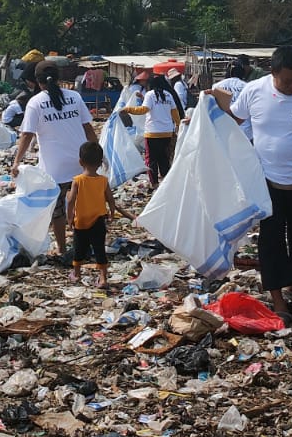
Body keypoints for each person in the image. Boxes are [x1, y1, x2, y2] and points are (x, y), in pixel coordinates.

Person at [207, 46, 292, 324]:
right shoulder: (254, 91)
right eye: (287, 81)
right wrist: (214, 101)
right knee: (271, 241)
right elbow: (236, 117)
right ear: (273, 72)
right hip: (267, 181)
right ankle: (278, 298)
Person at [10, 63, 99, 261]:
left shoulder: (35, 102)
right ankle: (84, 246)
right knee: (81, 208)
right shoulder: (74, 97)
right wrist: (98, 154)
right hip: (80, 164)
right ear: (58, 78)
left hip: (54, 169)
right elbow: (88, 128)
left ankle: (62, 248)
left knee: (57, 212)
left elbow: (27, 135)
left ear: (37, 81)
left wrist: (17, 162)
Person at [66, 140, 134, 288]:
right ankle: (103, 278)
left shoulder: (77, 180)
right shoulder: (103, 180)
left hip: (81, 221)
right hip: (98, 221)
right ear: (100, 163)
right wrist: (112, 213)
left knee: (79, 248)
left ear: (80, 161)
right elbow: (110, 199)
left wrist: (69, 218)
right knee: (99, 249)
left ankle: (76, 273)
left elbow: (71, 200)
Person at [120, 74, 185, 188]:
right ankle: (166, 182)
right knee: (163, 158)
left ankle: (154, 183)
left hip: (152, 133)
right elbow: (175, 113)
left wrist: (128, 109)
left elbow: (144, 110)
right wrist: (178, 125)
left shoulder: (150, 94)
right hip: (166, 133)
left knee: (151, 159)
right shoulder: (168, 95)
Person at [210, 63, 254, 142]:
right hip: (245, 133)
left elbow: (212, 108)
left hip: (223, 133)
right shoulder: (247, 87)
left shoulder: (217, 86)